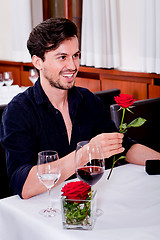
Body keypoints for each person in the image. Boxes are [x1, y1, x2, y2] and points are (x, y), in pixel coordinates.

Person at [0, 18, 160, 199]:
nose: (73, 66)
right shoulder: (18, 111)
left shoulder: (89, 101)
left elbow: (123, 146)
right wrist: (86, 153)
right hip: (42, 209)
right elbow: (23, 185)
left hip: (88, 201)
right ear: (38, 62)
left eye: (75, 55)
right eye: (62, 57)